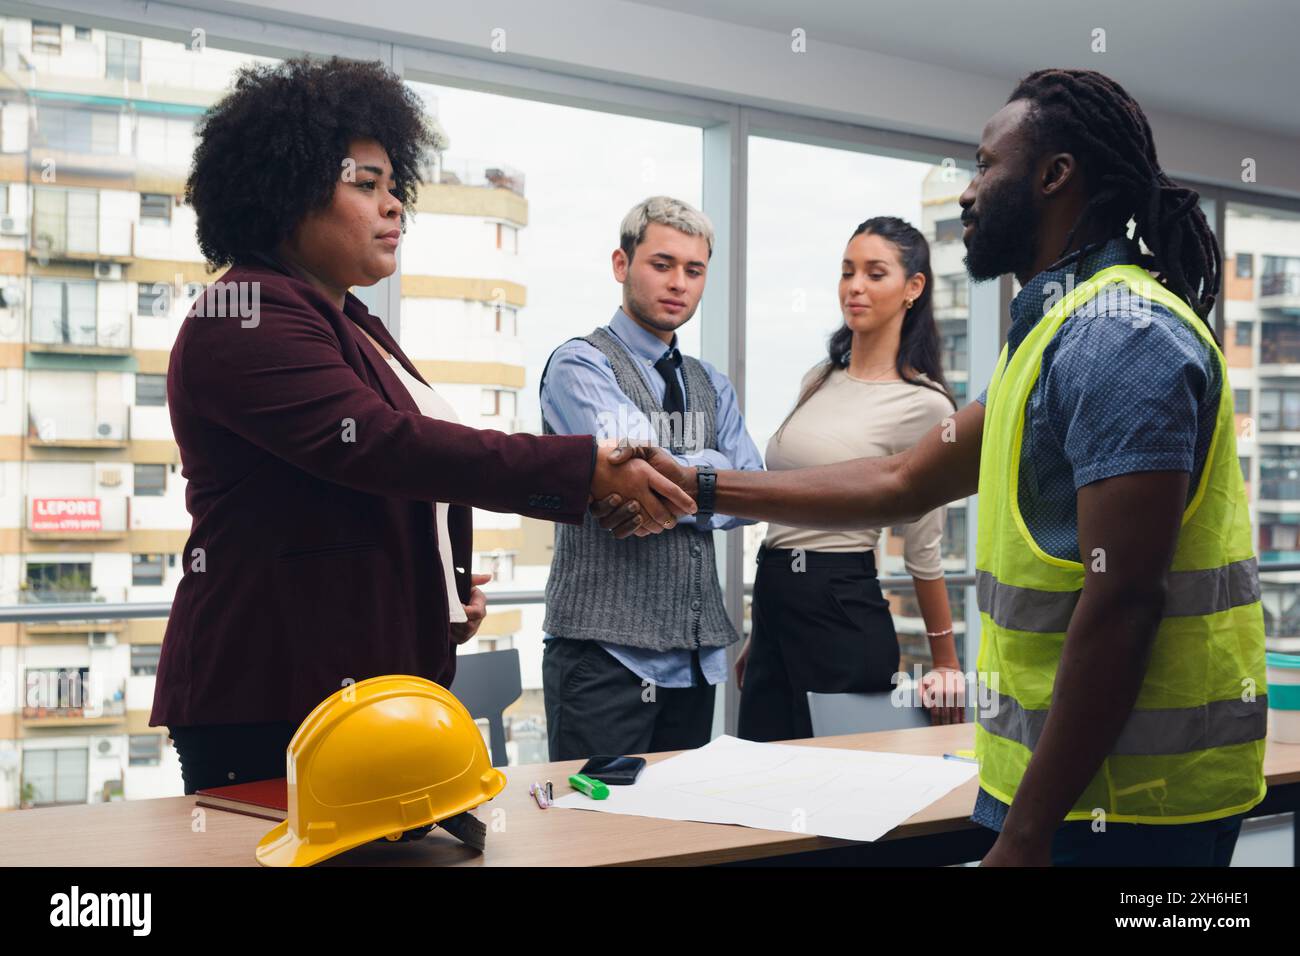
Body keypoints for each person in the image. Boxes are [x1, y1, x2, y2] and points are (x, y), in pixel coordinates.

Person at [597, 68, 1266, 867]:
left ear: (1054, 176)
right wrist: (696, 483)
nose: (968, 192)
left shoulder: (1120, 337)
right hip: (1057, 791)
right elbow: (900, 481)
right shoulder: (1052, 338)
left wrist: (1024, 836)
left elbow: (1123, 602)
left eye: (987, 165)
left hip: (1127, 812)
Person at [151, 57, 693, 795]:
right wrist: (583, 467)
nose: (393, 206)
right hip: (273, 689)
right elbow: (379, 445)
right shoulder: (243, 312)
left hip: (360, 684)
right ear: (286, 190)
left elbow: (386, 482)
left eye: (393, 185)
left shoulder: (348, 319)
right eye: (364, 185)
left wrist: (436, 593)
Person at [539, 196, 764, 760]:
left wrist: (676, 471)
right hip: (603, 657)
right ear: (622, 265)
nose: (679, 283)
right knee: (594, 835)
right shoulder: (579, 364)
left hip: (694, 659)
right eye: (661, 264)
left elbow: (755, 491)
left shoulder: (711, 381)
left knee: (678, 837)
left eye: (694, 270)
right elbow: (636, 475)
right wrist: (713, 470)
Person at [740, 216, 965, 744]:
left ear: (914, 288)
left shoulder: (926, 404)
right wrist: (761, 628)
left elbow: (924, 546)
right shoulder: (818, 378)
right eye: (847, 271)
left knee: (837, 787)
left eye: (874, 272)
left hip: (840, 605)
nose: (855, 286)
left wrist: (946, 661)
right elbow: (789, 505)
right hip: (775, 598)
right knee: (758, 781)